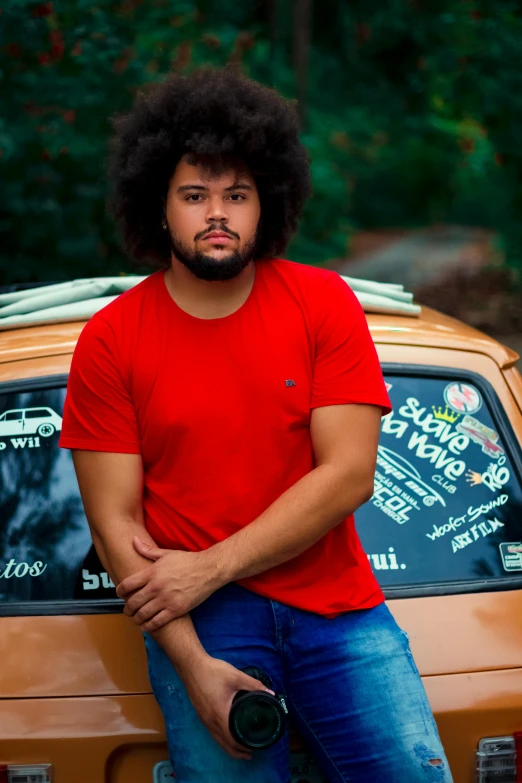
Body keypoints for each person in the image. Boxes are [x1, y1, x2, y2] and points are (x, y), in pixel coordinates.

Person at [59, 67, 452, 783]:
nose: (218, 213)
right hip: (203, 626)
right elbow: (115, 527)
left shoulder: (323, 304)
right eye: (195, 195)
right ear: (160, 204)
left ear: (266, 200)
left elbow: (349, 475)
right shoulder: (111, 340)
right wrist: (193, 663)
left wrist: (209, 566)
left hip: (339, 611)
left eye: (236, 194)